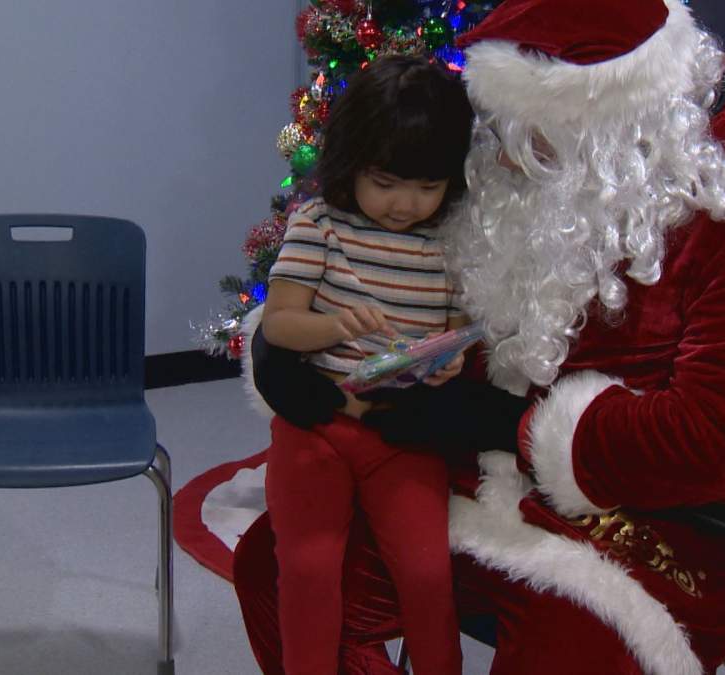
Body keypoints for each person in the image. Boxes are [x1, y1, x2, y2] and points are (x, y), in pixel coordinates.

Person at [238, 0, 725, 673]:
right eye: (501, 125)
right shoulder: (519, 160)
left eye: (529, 134)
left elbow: (718, 441)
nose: (500, 153)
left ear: (611, 121)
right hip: (464, 474)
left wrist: (513, 424)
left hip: (645, 524)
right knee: (272, 569)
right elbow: (386, 272)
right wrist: (281, 349)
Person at [254, 54, 474, 675]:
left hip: (400, 438)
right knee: (308, 567)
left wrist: (446, 363)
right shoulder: (318, 223)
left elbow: (454, 334)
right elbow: (278, 324)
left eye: (427, 188)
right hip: (316, 431)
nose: (405, 204)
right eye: (385, 183)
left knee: (429, 574)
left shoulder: (449, 244)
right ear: (352, 164)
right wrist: (332, 326)